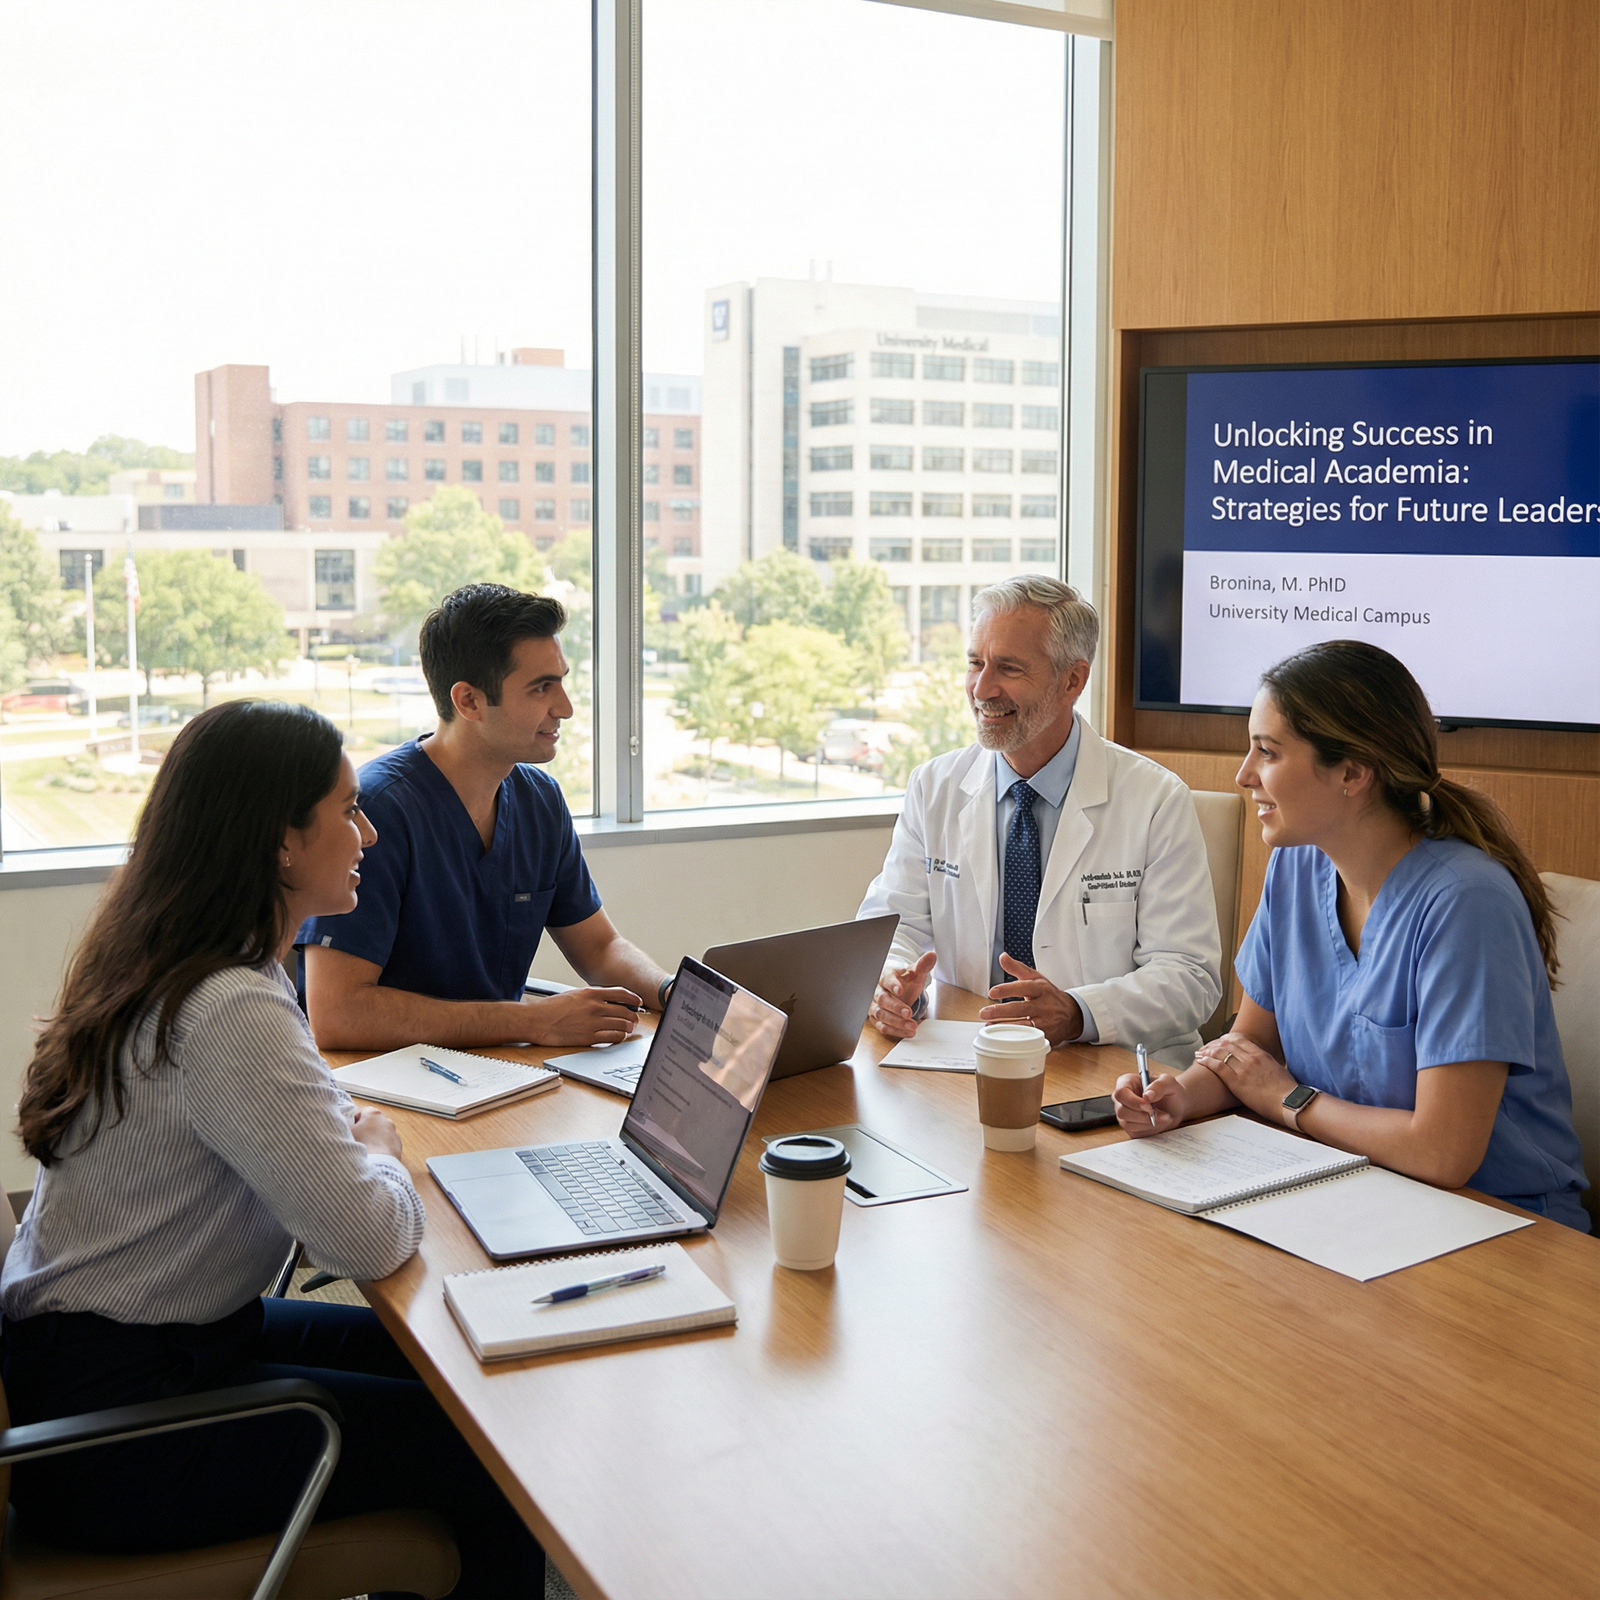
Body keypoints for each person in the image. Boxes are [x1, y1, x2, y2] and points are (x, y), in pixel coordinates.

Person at [0, 700, 544, 1593]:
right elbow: (363, 1236)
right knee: (487, 1447)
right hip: (120, 1432)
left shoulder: (197, 960)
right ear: (281, 842)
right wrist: (382, 1157)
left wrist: (359, 1150)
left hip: (115, 1358)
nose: (367, 831)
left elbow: (321, 1124)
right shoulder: (229, 1005)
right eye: (346, 809)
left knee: (455, 1371)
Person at [1113, 640, 1590, 1232]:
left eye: (1268, 752)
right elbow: (1251, 1052)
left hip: (1500, 1226)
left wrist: (1288, 1101)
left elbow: (1442, 1152)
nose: (1243, 775)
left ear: (1353, 773)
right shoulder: (1297, 865)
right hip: (1354, 1194)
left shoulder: (1468, 904)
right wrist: (1178, 1097)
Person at [859, 577, 1221, 1065]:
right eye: (975, 663)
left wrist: (1078, 1011)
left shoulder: (1155, 798)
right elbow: (890, 927)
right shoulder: (934, 785)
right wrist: (894, 981)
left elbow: (1189, 976)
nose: (982, 689)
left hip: (1112, 1071)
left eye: (1008, 668)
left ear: (1073, 680)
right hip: (966, 1055)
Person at [302, 582, 674, 1052]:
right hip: (384, 1083)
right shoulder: (377, 813)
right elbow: (338, 1015)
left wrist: (671, 993)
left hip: (495, 1069)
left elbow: (599, 948)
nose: (565, 708)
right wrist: (531, 1022)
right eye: (542, 687)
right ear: (469, 702)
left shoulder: (540, 801)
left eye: (561, 680)